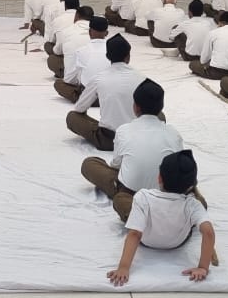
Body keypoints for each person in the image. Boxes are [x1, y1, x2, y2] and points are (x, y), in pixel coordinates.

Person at [106, 150, 216, 286]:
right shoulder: (192, 204)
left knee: (121, 199)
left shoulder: (143, 196)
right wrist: (203, 267)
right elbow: (208, 232)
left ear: (159, 178)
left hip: (146, 240)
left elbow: (135, 234)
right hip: (177, 242)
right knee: (199, 207)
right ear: (191, 186)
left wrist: (123, 267)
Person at [80, 79, 183, 221]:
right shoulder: (174, 133)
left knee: (90, 164)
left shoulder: (124, 130)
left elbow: (116, 165)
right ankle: (175, 215)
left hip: (130, 191)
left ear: (135, 107)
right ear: (161, 107)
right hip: (166, 193)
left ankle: (141, 218)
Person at [68, 35, 148, 151]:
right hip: (137, 137)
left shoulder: (99, 78)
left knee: (72, 117)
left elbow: (79, 108)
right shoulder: (142, 78)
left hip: (109, 139)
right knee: (159, 116)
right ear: (128, 56)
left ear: (108, 57)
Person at [58, 16, 110, 103]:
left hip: (89, 98)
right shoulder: (114, 50)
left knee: (59, 84)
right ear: (107, 33)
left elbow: (69, 79)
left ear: (89, 32)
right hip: (109, 96)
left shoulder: (81, 51)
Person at [188, 12, 228, 80]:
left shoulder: (213, 33)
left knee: (193, 64)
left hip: (216, 72)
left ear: (219, 23)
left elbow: (203, 60)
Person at [50, 6, 93, 79]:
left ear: (77, 16)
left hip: (73, 79)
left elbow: (57, 51)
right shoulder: (96, 32)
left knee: (52, 59)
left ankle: (62, 73)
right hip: (93, 75)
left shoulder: (66, 31)